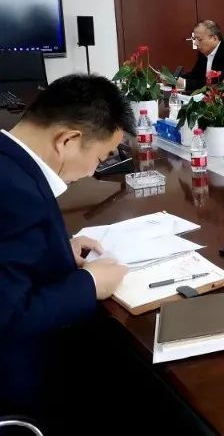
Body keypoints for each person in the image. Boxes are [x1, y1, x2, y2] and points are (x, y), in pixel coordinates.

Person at [0, 75, 131, 418]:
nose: (91, 172)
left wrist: (57, 250)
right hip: (19, 386)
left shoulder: (9, 161)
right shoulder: (17, 193)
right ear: (68, 140)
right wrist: (90, 283)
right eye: (100, 158)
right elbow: (10, 318)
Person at [179, 19, 224, 94]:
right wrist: (175, 79)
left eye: (199, 39)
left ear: (214, 38)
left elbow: (217, 85)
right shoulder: (203, 53)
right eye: (194, 39)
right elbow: (196, 75)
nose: (196, 43)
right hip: (212, 97)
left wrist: (185, 83)